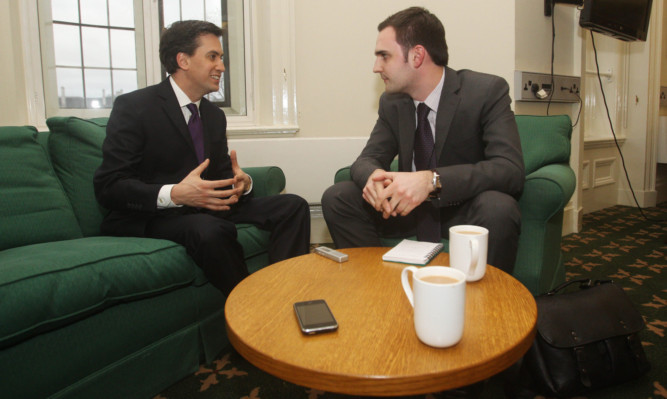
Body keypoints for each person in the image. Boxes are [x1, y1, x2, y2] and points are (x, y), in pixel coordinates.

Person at [94, 20, 310, 295]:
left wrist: (240, 183)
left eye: (221, 58)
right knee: (209, 230)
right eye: (212, 57)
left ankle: (288, 293)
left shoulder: (213, 115)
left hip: (205, 208)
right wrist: (176, 194)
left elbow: (218, 176)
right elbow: (108, 186)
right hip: (157, 214)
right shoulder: (134, 107)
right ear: (183, 60)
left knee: (293, 206)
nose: (221, 66)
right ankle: (251, 307)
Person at [322, 7, 524, 274]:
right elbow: (367, 159)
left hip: (461, 211)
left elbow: (509, 169)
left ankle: (488, 304)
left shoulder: (485, 92)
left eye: (384, 56)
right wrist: (373, 176)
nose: (375, 67)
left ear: (417, 55)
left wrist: (431, 181)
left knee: (499, 208)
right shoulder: (392, 103)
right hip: (405, 211)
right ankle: (376, 288)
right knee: (338, 197)